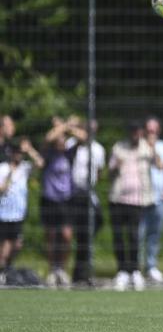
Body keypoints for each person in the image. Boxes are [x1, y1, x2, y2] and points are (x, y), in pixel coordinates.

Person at [108, 121, 163, 291]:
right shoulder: (119, 147)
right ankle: (122, 270)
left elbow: (160, 166)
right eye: (132, 132)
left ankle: (134, 270)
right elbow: (109, 171)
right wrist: (115, 166)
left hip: (137, 200)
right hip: (117, 198)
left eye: (137, 132)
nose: (135, 135)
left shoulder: (146, 147)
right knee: (118, 235)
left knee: (133, 235)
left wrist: (153, 148)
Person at [42, 116, 84, 287]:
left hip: (67, 199)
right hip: (49, 198)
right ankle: (53, 269)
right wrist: (63, 127)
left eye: (63, 138)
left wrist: (64, 125)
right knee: (51, 236)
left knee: (66, 235)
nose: (61, 140)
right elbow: (48, 138)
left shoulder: (69, 152)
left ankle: (62, 270)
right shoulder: (48, 152)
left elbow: (83, 137)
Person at [66, 119, 105, 286]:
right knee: (75, 235)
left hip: (89, 194)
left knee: (93, 227)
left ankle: (83, 272)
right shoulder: (72, 144)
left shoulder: (98, 149)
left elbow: (99, 171)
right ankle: (75, 273)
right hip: (73, 194)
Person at [0, 140, 44, 284]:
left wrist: (30, 149)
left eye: (20, 152)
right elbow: (2, 189)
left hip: (18, 214)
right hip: (4, 214)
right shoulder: (3, 168)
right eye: (16, 152)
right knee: (5, 247)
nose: (18, 155)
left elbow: (40, 163)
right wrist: (10, 175)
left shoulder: (24, 168)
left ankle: (7, 270)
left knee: (17, 244)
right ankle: (2, 272)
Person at [140, 116, 163, 283]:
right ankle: (136, 268)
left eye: (154, 130)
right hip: (139, 198)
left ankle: (151, 266)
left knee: (155, 234)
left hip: (159, 198)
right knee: (138, 233)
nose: (151, 133)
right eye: (149, 130)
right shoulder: (138, 146)